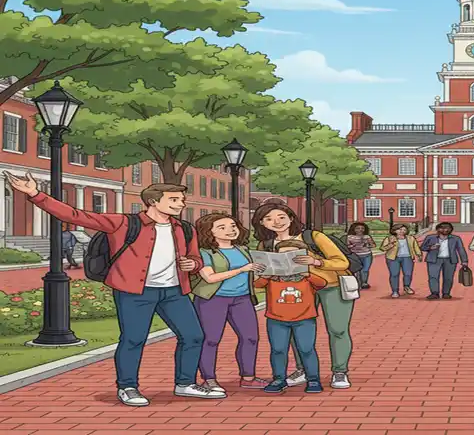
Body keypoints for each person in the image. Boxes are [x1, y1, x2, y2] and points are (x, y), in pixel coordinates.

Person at [2, 173, 218, 406]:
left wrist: (192, 264)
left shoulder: (184, 229)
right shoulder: (125, 223)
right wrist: (35, 194)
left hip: (174, 291)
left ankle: (185, 383)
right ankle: (127, 387)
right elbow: (77, 216)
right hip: (134, 292)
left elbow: (195, 257)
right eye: (174, 199)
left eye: (181, 199)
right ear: (154, 201)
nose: (181, 203)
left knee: (193, 336)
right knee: (133, 339)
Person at [252, 203, 355, 390]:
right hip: (294, 289)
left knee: (337, 330)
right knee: (294, 327)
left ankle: (340, 371)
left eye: (281, 217)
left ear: (291, 218)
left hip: (330, 286)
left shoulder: (313, 237)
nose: (276, 222)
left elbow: (341, 261)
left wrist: (316, 262)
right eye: (269, 219)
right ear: (261, 223)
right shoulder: (266, 244)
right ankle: (302, 370)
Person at [191, 213, 268, 393]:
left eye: (233, 226)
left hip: (242, 299)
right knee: (210, 340)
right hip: (213, 300)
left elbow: (253, 274)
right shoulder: (204, 252)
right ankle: (209, 379)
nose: (230, 230)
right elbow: (210, 278)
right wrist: (242, 269)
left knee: (250, 338)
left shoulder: (243, 249)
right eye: (222, 227)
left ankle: (248, 377)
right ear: (209, 231)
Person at [254, 238, 326, 393]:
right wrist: (267, 274)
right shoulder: (272, 277)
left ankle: (313, 379)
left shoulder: (306, 276)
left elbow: (322, 283)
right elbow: (257, 285)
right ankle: (279, 379)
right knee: (278, 349)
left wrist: (307, 273)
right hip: (276, 319)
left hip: (305, 319)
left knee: (306, 349)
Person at [419, 222, 468, 299]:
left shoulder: (456, 238)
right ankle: (434, 293)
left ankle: (446, 293)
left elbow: (461, 249)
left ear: (451, 229)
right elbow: (422, 247)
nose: (445, 230)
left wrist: (464, 261)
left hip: (450, 260)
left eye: (447, 228)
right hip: (434, 260)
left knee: (448, 278)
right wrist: (430, 248)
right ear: (438, 229)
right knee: (433, 277)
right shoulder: (430, 237)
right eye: (442, 228)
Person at [380, 224, 422, 298]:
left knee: (408, 274)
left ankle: (407, 286)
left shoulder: (410, 238)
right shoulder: (389, 238)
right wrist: (391, 244)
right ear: (394, 230)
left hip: (407, 258)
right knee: (394, 274)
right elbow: (383, 248)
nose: (402, 231)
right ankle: (395, 291)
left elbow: (416, 247)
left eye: (404, 230)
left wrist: (419, 254)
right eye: (399, 229)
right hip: (393, 258)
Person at [346, 222, 376, 289]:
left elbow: (373, 245)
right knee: (357, 270)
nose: (360, 230)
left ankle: (364, 283)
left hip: (367, 255)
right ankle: (358, 283)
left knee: (365, 270)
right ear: (354, 229)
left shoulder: (367, 237)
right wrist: (352, 246)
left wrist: (367, 244)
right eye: (358, 228)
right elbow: (347, 246)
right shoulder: (349, 237)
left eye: (362, 228)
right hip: (355, 255)